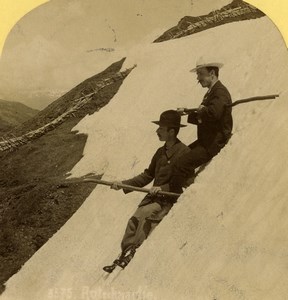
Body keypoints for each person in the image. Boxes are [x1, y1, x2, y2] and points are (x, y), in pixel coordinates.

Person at [103, 110, 190, 273]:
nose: (157, 131)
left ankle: (133, 252)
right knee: (133, 220)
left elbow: (182, 182)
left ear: (172, 131)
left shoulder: (183, 152)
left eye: (161, 129)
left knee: (144, 217)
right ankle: (124, 253)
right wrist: (123, 184)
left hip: (167, 200)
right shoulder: (160, 152)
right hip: (152, 198)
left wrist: (162, 189)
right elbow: (148, 175)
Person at [169, 57, 233, 194]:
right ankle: (187, 184)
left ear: (212, 74)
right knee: (181, 154)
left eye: (200, 74)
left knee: (180, 165)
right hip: (206, 141)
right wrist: (188, 112)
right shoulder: (211, 92)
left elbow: (213, 114)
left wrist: (199, 112)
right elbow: (205, 113)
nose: (198, 78)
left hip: (214, 143)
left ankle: (173, 199)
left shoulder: (220, 92)